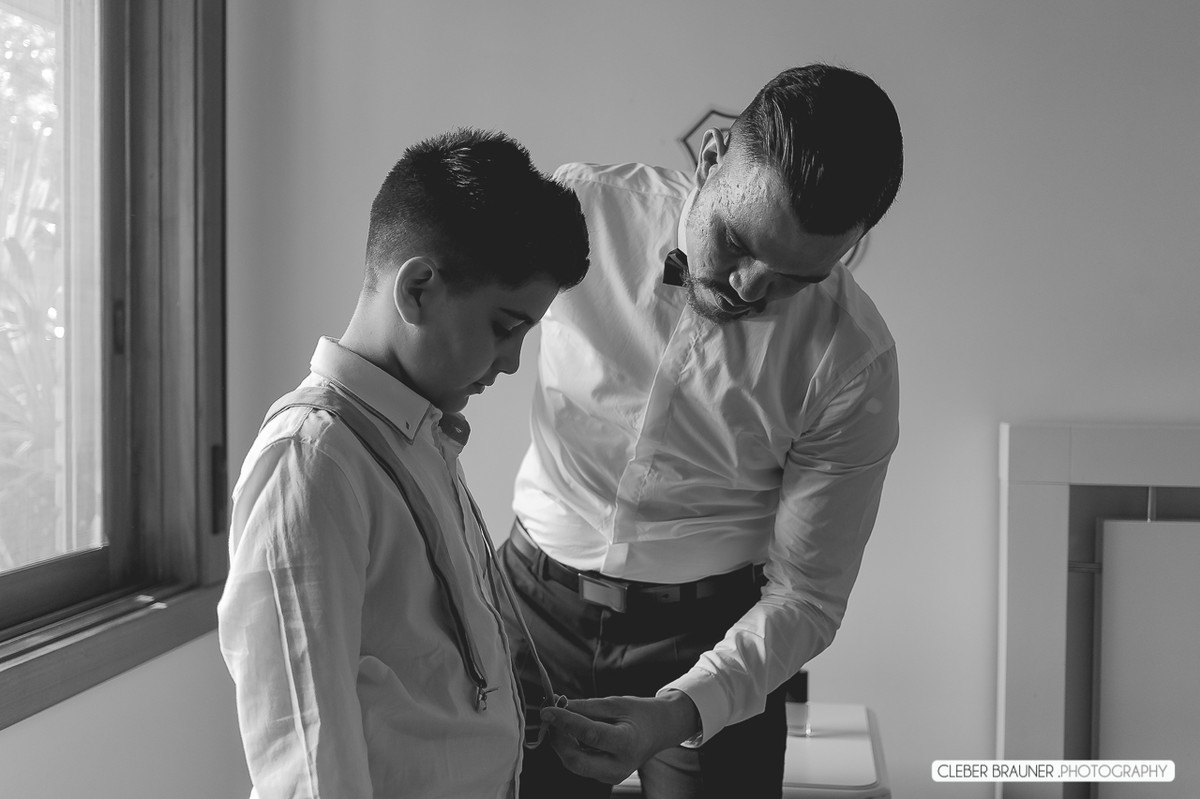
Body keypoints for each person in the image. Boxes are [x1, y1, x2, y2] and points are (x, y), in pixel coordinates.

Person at [498, 63, 904, 798]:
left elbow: (807, 596)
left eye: (794, 278)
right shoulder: (581, 210)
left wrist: (683, 708)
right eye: (737, 240)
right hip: (528, 606)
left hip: (715, 635)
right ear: (712, 156)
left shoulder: (853, 363)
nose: (749, 286)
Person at [217, 128, 590, 799]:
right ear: (418, 288)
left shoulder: (416, 433)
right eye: (505, 327)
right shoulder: (312, 462)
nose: (512, 362)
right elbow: (308, 763)